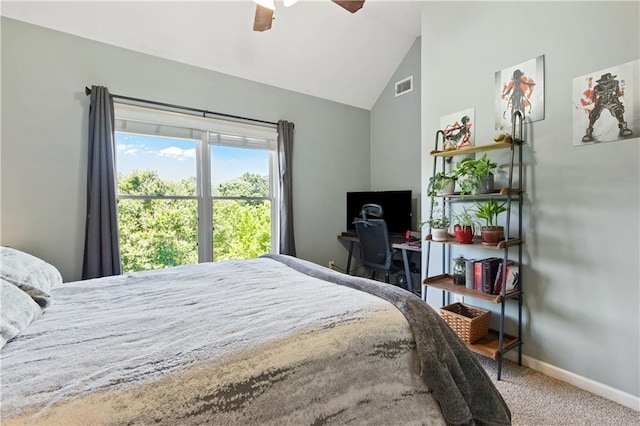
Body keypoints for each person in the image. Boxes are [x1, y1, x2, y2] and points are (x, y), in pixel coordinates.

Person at [582, 72, 633, 142]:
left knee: (618, 111)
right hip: (601, 102)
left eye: (608, 82)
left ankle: (623, 128)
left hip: (611, 100)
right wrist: (594, 102)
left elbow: (617, 94)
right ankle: (589, 133)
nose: (606, 85)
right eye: (604, 83)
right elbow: (594, 98)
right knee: (593, 115)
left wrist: (616, 100)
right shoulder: (597, 88)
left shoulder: (615, 84)